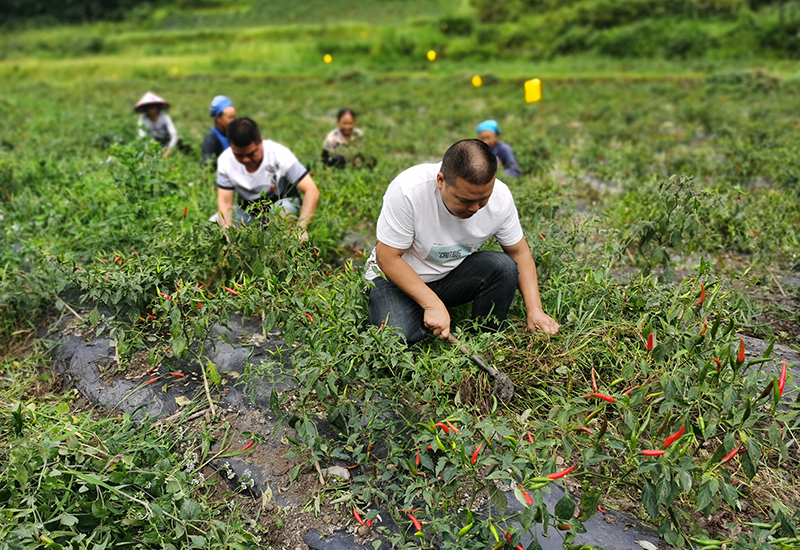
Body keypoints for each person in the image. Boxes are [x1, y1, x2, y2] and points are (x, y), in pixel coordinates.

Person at [364, 139, 558, 344]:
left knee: (504, 267)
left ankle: (485, 342)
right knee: (396, 340)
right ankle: (416, 314)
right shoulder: (408, 191)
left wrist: (535, 309)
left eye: (483, 199)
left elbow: (519, 253)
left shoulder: (501, 199)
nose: (475, 208)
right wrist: (431, 304)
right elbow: (387, 257)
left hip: (447, 276)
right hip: (394, 279)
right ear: (441, 180)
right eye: (465, 200)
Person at [216, 118, 319, 241]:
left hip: (280, 203)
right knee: (215, 224)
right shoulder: (225, 161)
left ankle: (281, 252)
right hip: (249, 212)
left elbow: (311, 190)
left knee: (281, 214)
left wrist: (301, 229)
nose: (245, 160)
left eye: (251, 154)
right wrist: (227, 232)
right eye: (239, 155)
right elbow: (225, 202)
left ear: (260, 142)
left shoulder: (279, 154)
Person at [135, 92, 179, 159]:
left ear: (158, 108)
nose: (152, 110)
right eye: (150, 107)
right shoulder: (143, 120)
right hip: (153, 145)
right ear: (146, 109)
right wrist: (148, 150)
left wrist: (169, 150)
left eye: (154, 107)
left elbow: (173, 134)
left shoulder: (165, 118)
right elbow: (143, 136)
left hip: (167, 142)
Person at [201, 95, 236, 167]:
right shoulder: (211, 139)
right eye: (230, 118)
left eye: (234, 117)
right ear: (218, 119)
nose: (233, 121)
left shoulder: (234, 134)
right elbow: (207, 165)